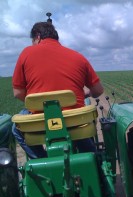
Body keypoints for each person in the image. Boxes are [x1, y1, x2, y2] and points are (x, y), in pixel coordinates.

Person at [12, 22, 104, 159]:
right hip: (74, 120)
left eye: (32, 41)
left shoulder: (26, 53)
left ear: (37, 37)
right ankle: (93, 158)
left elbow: (18, 93)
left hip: (41, 122)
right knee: (76, 124)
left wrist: (37, 103)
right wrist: (86, 93)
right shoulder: (78, 56)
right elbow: (98, 90)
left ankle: (43, 160)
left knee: (16, 128)